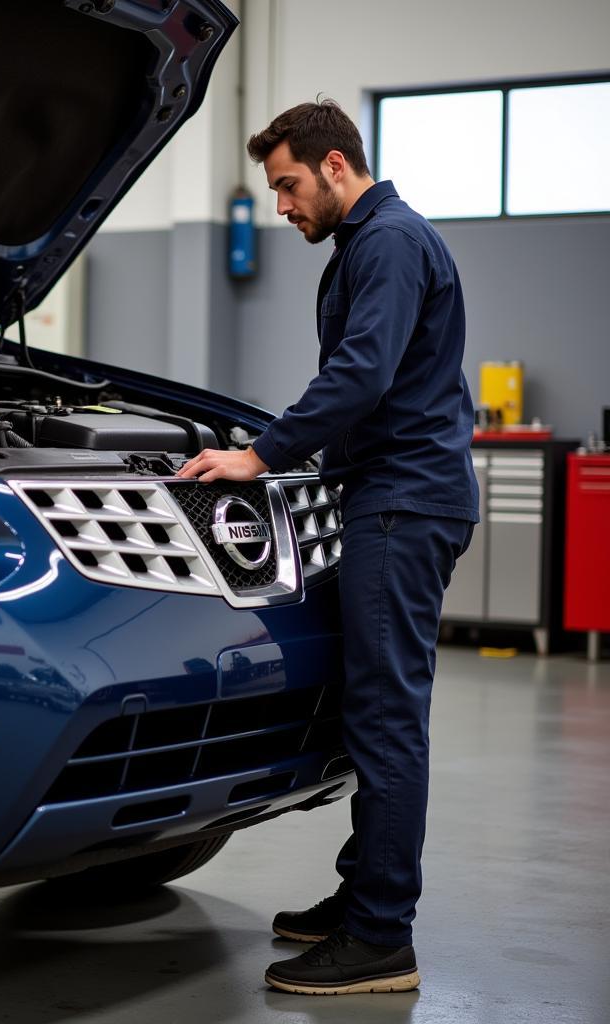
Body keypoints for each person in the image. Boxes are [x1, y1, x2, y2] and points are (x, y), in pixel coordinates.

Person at [177, 99, 479, 995]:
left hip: (403, 503)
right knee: (369, 709)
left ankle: (381, 936)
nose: (282, 206)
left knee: (386, 720)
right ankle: (362, 901)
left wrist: (260, 454)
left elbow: (360, 374)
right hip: (390, 497)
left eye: (288, 185)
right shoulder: (374, 242)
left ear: (337, 165)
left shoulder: (386, 244)